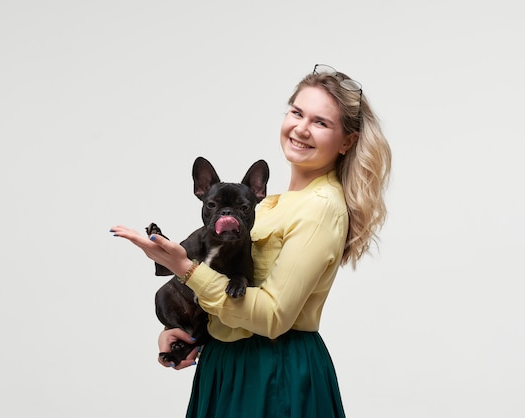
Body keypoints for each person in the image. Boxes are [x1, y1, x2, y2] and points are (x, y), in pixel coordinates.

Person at [110, 64, 392, 418]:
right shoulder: (270, 204)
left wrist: (183, 267)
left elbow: (273, 316)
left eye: (320, 122)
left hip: (273, 372)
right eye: (297, 112)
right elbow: (230, 293)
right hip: (228, 366)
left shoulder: (320, 207)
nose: (301, 128)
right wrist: (186, 332)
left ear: (347, 141)